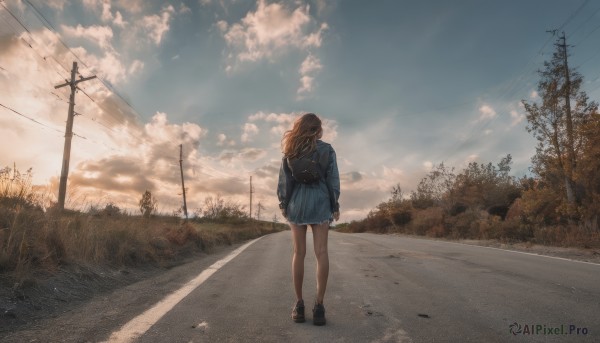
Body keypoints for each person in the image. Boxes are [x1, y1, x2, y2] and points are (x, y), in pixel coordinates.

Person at [277, 113, 340, 326]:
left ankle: (299, 305)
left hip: (298, 203)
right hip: (321, 201)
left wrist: (284, 205)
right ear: (318, 129)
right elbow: (333, 180)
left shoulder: (290, 151)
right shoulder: (327, 149)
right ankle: (319, 307)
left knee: (298, 253)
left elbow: (285, 183)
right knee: (321, 253)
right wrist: (335, 205)